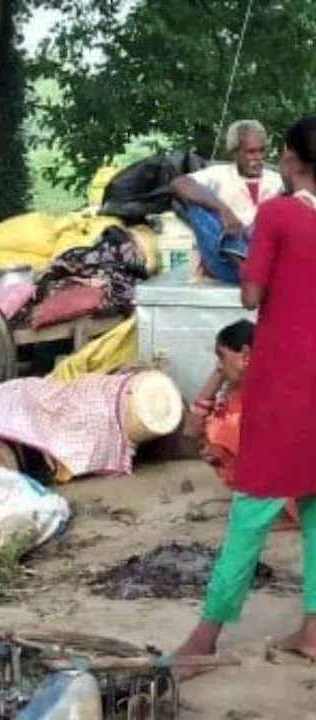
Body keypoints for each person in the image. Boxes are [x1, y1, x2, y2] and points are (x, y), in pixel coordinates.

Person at [175, 116, 316, 668]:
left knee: (252, 506)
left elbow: (251, 295)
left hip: (287, 380)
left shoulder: (281, 213)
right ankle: (311, 632)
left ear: (288, 156)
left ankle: (205, 638)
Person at [185, 320, 299, 530]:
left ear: (246, 354)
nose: (218, 364)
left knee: (223, 434)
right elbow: (191, 430)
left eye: (221, 355)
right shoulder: (241, 389)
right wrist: (220, 373)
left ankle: (279, 512)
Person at [170, 119, 284, 283]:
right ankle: (239, 258)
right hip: (227, 265)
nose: (258, 157)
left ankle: (250, 264)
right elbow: (179, 184)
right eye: (251, 152)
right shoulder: (219, 174)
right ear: (235, 152)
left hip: (264, 260)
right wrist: (223, 210)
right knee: (195, 205)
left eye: (261, 151)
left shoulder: (277, 180)